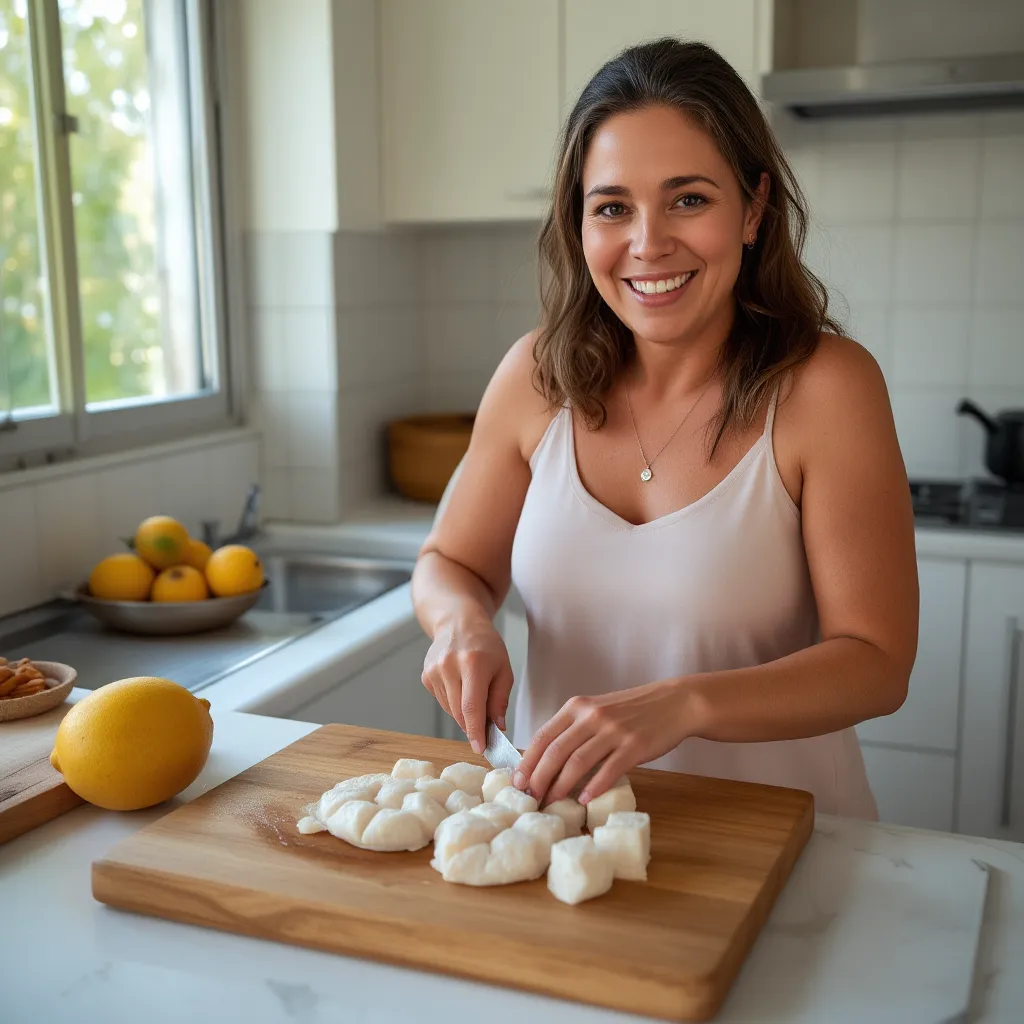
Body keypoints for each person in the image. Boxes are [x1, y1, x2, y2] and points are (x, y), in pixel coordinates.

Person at [410, 38, 918, 819]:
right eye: (612, 207)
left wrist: (684, 704)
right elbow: (449, 562)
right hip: (570, 841)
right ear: (579, 225)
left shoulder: (828, 388)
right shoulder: (534, 376)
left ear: (752, 209)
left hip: (783, 849)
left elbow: (878, 663)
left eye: (688, 199)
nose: (648, 244)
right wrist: (461, 624)